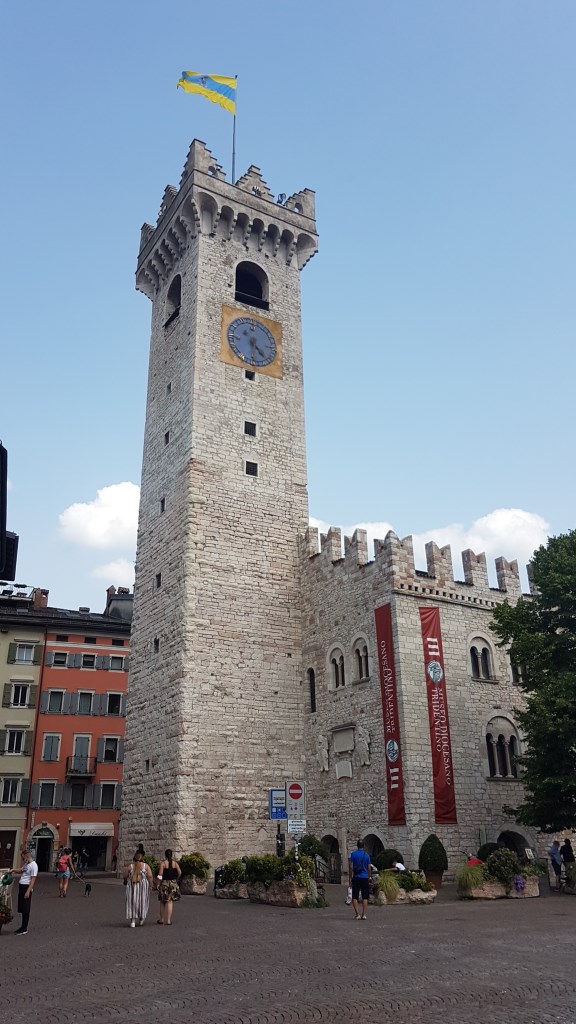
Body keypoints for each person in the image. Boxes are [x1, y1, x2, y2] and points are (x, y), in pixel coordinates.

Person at [123, 851, 153, 927]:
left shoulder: (130, 866)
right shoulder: (146, 866)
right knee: (142, 901)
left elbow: (125, 876)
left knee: (132, 902)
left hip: (132, 886)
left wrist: (125, 881)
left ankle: (132, 921)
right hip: (143, 886)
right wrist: (151, 885)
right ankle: (141, 918)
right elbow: (150, 876)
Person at [14, 848, 38, 934]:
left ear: (27, 856)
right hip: (22, 886)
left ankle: (24, 928)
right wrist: (13, 870)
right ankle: (22, 927)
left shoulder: (33, 865)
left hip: (26, 887)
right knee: (22, 907)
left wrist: (28, 891)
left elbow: (33, 879)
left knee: (26, 908)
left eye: (23, 857)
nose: (22, 859)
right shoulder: (27, 864)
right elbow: (21, 870)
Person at [157, 849, 182, 925]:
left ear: (165, 855)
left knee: (162, 901)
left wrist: (158, 884)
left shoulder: (163, 863)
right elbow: (180, 872)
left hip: (165, 883)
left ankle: (161, 919)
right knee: (170, 901)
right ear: (172, 855)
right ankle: (168, 920)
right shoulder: (175, 863)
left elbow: (160, 875)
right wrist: (176, 878)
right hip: (173, 883)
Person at [348, 839, 372, 921]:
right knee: (365, 896)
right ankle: (364, 914)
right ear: (363, 846)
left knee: (355, 896)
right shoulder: (367, 855)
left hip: (356, 877)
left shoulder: (353, 854)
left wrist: (350, 878)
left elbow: (351, 867)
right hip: (365, 877)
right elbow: (369, 868)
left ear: (357, 845)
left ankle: (357, 914)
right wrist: (369, 877)